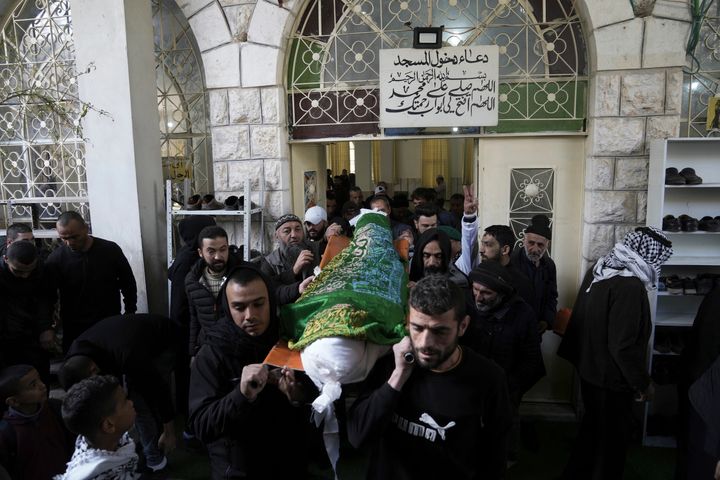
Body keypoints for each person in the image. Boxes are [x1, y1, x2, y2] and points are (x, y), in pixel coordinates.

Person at [347, 275, 511, 479]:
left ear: (463, 326)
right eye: (417, 328)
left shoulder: (489, 378)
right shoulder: (390, 362)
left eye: (439, 331)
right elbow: (358, 436)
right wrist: (399, 375)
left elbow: (495, 457)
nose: (425, 343)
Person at [557, 226, 673, 479]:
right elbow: (622, 347)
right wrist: (643, 383)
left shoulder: (600, 269)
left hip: (590, 372)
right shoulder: (629, 286)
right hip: (609, 381)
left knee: (593, 433)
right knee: (610, 445)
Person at [189, 264, 322, 479]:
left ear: (270, 301)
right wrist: (241, 395)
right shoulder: (213, 352)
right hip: (239, 470)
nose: (250, 315)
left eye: (258, 304)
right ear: (227, 308)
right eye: (239, 308)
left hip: (290, 463)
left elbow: (319, 396)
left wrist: (298, 394)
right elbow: (201, 425)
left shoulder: (290, 338)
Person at [59, 314, 178, 473]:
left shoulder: (128, 355)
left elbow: (158, 389)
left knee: (142, 401)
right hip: (127, 345)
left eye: (124, 401)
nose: (129, 404)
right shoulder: (73, 365)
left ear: (94, 370)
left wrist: (168, 431)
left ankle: (155, 458)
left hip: (162, 340)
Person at [465, 261, 545, 461]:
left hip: (507, 387)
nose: (478, 297)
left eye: (486, 293)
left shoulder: (523, 314)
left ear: (502, 294)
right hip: (472, 386)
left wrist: (508, 387)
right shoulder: (468, 307)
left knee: (502, 436)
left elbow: (531, 359)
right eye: (475, 290)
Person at [46, 211, 137, 352]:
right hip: (75, 326)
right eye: (64, 238)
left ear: (86, 229)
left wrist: (130, 310)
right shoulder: (56, 259)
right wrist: (49, 326)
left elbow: (127, 282)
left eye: (75, 237)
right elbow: (48, 296)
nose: (70, 243)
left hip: (108, 320)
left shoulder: (109, 250)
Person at [168, 216, 216, 420]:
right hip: (186, 329)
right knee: (189, 376)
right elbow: (181, 305)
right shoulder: (188, 261)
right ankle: (189, 421)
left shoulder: (187, 254)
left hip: (188, 327)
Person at [56, 375, 139, 480]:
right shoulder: (101, 475)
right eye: (125, 401)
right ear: (109, 425)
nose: (131, 403)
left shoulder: (100, 440)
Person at [0, 365, 74, 479]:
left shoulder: (55, 408)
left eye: (39, 379)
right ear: (14, 401)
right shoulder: (5, 432)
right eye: (33, 385)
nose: (42, 386)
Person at [0, 241, 56, 384]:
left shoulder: (41, 269)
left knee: (40, 375)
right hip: (5, 335)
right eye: (18, 271)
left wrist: (45, 328)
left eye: (29, 270)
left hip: (33, 333)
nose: (25, 276)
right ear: (6, 259)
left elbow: (46, 299)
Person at [186, 225, 243, 357]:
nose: (218, 256)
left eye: (223, 250)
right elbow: (194, 319)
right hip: (209, 347)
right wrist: (193, 352)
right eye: (211, 251)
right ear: (200, 253)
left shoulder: (243, 273)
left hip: (238, 347)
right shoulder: (192, 281)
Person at [511, 214, 558, 332]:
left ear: (547, 244)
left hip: (537, 328)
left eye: (540, 245)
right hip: (513, 327)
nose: (535, 249)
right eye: (531, 243)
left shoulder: (549, 265)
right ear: (524, 240)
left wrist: (546, 320)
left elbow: (551, 296)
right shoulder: (511, 262)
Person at [259, 214, 318, 306]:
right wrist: (294, 270)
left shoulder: (315, 250)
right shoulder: (269, 263)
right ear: (276, 236)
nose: (294, 235)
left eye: (298, 229)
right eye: (287, 231)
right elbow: (268, 293)